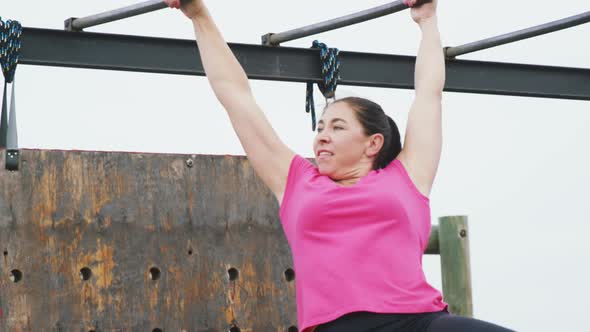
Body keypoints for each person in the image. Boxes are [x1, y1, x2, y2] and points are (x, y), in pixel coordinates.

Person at [165, 0, 516, 331]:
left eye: (337, 127)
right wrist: (199, 14)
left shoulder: (408, 177)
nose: (322, 137)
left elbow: (428, 92)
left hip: (418, 322)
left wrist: (427, 20)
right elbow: (234, 94)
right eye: (319, 128)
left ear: (372, 143)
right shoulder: (295, 181)